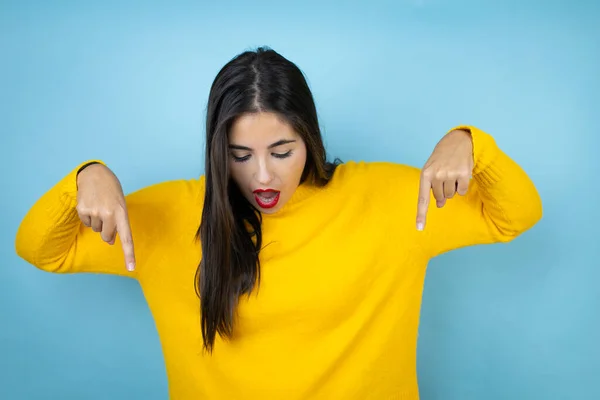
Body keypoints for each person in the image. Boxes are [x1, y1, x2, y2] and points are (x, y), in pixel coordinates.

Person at [15, 47, 542, 399]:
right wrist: (85, 177)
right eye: (239, 155)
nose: (262, 175)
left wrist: (471, 143)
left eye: (282, 151)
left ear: (309, 138)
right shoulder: (171, 215)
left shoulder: (390, 199)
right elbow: (43, 248)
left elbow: (515, 214)